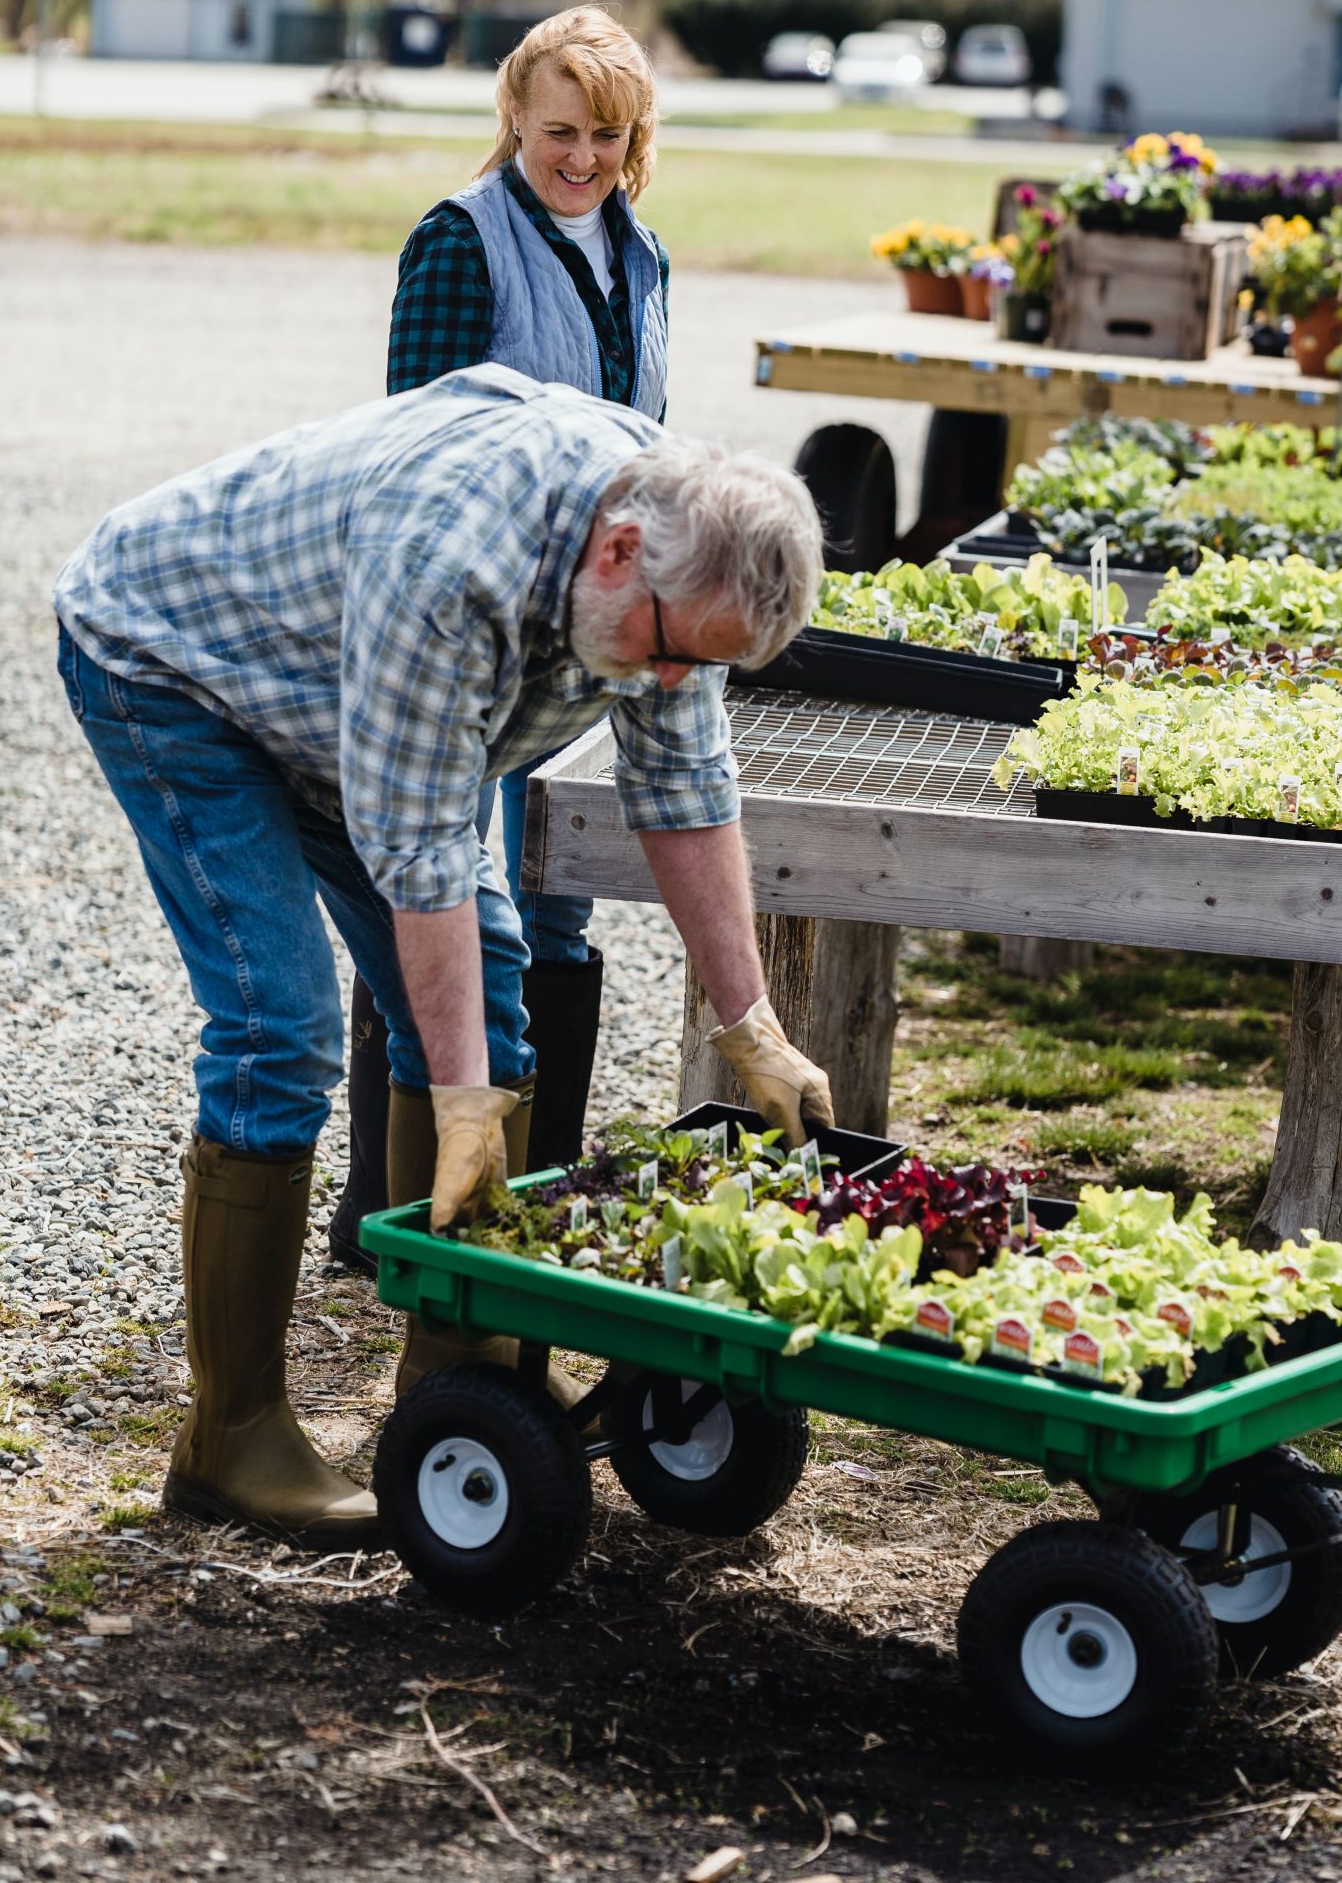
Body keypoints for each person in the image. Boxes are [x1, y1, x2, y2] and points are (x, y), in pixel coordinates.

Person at [54, 371, 830, 1548]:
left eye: (697, 667)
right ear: (617, 552)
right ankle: (231, 1435)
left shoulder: (687, 559)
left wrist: (750, 1024)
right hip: (181, 671)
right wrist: (460, 1098)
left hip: (341, 697)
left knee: (493, 1004)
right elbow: (420, 851)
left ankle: (456, 1382)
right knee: (283, 1028)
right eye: (670, 656)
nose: (669, 683)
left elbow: (684, 788)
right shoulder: (456, 564)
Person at [327, 5, 669, 1270]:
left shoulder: (643, 253)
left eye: (608, 135)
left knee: (559, 904)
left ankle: (524, 1208)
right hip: (472, 624)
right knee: (439, 892)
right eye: (562, 130)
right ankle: (388, 1209)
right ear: (516, 116)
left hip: (585, 632)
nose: (582, 157)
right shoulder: (462, 242)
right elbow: (410, 441)